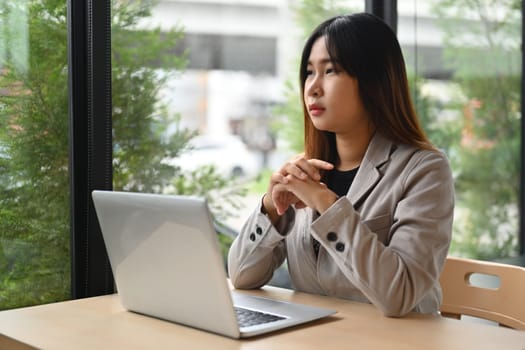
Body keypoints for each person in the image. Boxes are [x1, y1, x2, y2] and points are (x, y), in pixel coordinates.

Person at [227, 13, 454, 317]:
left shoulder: (424, 170)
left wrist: (325, 204)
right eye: (309, 73)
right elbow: (242, 276)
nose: (312, 88)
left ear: (375, 80)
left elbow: (400, 295)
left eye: (330, 70)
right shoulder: (305, 170)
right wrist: (270, 208)